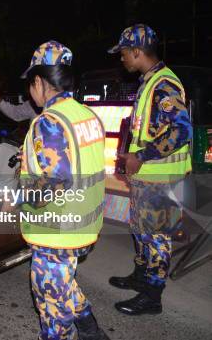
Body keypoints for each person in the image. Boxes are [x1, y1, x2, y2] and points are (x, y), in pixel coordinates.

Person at [18, 41, 109, 340]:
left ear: (40, 82)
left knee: (51, 305)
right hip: (84, 223)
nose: (30, 94)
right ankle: (90, 329)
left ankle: (78, 330)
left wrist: (18, 198)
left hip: (57, 230)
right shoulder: (87, 115)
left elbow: (56, 181)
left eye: (31, 85)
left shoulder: (49, 121)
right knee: (63, 282)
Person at [107, 24, 192, 315]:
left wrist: (142, 155)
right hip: (146, 175)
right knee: (141, 230)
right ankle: (141, 277)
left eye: (123, 53)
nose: (121, 58)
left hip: (161, 176)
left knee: (157, 236)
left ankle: (152, 296)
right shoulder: (149, 80)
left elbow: (182, 131)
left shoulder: (165, 84)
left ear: (137, 52)